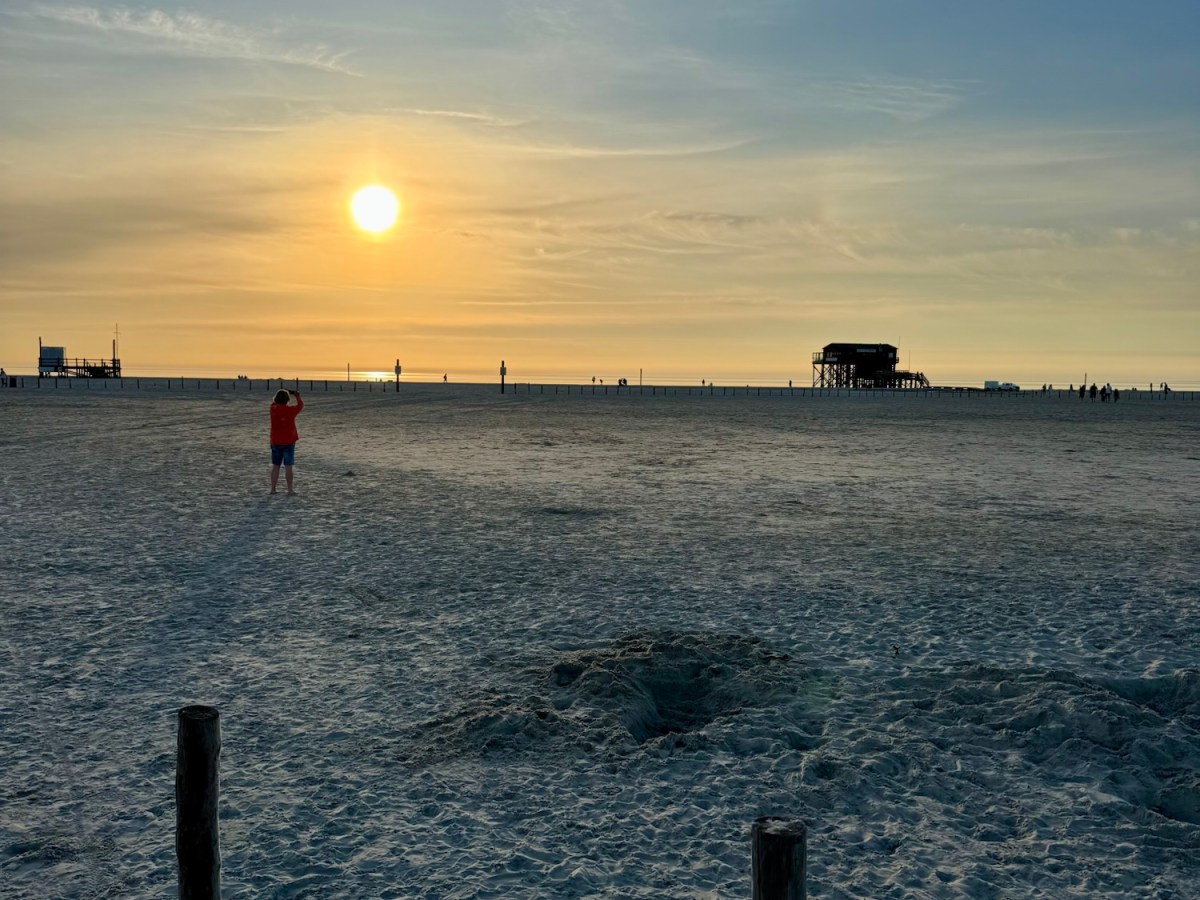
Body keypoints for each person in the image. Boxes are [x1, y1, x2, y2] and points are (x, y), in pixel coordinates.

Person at [269, 389, 303, 495]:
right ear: (287, 400)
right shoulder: (290, 410)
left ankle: (273, 489)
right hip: (288, 441)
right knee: (288, 466)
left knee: (276, 466)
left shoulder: (273, 408)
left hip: (275, 441)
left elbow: (273, 402)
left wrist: (282, 393)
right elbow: (300, 405)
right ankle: (290, 489)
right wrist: (297, 396)